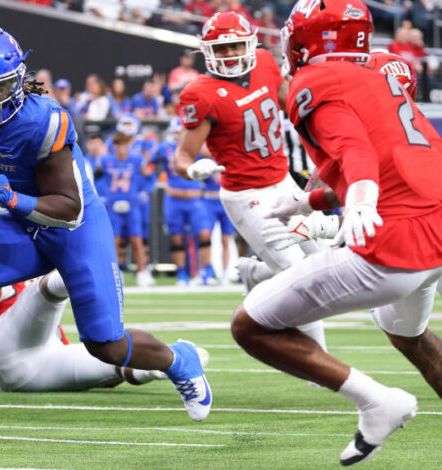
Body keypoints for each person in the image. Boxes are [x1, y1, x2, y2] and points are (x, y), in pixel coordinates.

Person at [0, 26, 211, 437]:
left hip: (73, 227)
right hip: (22, 221)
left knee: (105, 343)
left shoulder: (43, 119)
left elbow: (68, 206)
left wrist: (13, 200)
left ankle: (177, 359)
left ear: (17, 79)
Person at [231, 0, 442, 465]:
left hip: (396, 238)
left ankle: (377, 403)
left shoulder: (315, 81)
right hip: (436, 222)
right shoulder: (384, 71)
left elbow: (356, 153)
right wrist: (312, 200)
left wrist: (361, 200)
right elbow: (390, 155)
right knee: (407, 334)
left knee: (250, 327)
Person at [173, 11, 327, 349]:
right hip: (246, 195)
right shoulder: (201, 93)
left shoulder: (265, 63)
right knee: (300, 276)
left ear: (250, 44)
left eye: (235, 46)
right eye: (221, 48)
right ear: (207, 51)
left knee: (327, 260)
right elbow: (181, 158)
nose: (229, 55)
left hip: (284, 182)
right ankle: (323, 364)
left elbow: (295, 108)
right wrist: (193, 169)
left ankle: (256, 274)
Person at [0, 270, 208, 391]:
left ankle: (169, 363)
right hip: (2, 349)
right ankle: (81, 271)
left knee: (116, 360)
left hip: (43, 362)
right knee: (49, 287)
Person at [99, 114, 154, 287]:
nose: (120, 148)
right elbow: (97, 179)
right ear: (113, 146)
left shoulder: (137, 160)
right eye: (117, 144)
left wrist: (144, 192)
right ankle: (117, 273)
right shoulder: (106, 161)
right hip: (113, 204)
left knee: (136, 239)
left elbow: (150, 178)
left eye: (123, 144)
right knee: (114, 240)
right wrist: (103, 196)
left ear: (129, 145)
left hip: (132, 204)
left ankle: (142, 272)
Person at [157, 118, 212, 286]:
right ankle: (181, 274)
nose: (178, 136)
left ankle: (206, 271)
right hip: (174, 198)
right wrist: (160, 181)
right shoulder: (164, 149)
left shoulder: (195, 146)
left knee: (204, 234)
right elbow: (147, 165)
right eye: (175, 132)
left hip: (195, 197)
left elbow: (211, 157)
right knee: (176, 238)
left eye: (180, 132)